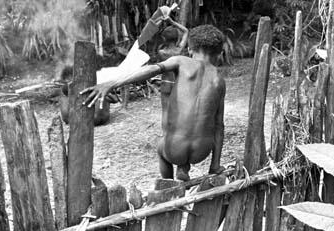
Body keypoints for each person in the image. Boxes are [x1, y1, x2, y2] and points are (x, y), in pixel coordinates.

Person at [81, 24, 226, 181]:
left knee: (161, 148)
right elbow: (219, 126)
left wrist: (112, 83)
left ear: (190, 49)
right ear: (218, 53)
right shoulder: (219, 81)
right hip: (202, 151)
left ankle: (169, 184)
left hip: (174, 149)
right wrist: (214, 166)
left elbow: (151, 70)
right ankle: (183, 168)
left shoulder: (182, 61)